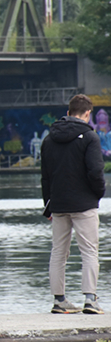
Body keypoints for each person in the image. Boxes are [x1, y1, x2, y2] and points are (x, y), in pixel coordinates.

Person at [41, 94, 105, 315]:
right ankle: (90, 300)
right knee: (89, 251)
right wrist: (98, 195)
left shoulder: (49, 139)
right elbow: (96, 172)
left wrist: (48, 204)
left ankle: (59, 301)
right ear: (88, 114)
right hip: (84, 204)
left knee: (58, 251)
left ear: (68, 113)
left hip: (58, 204)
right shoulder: (90, 138)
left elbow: (45, 177)